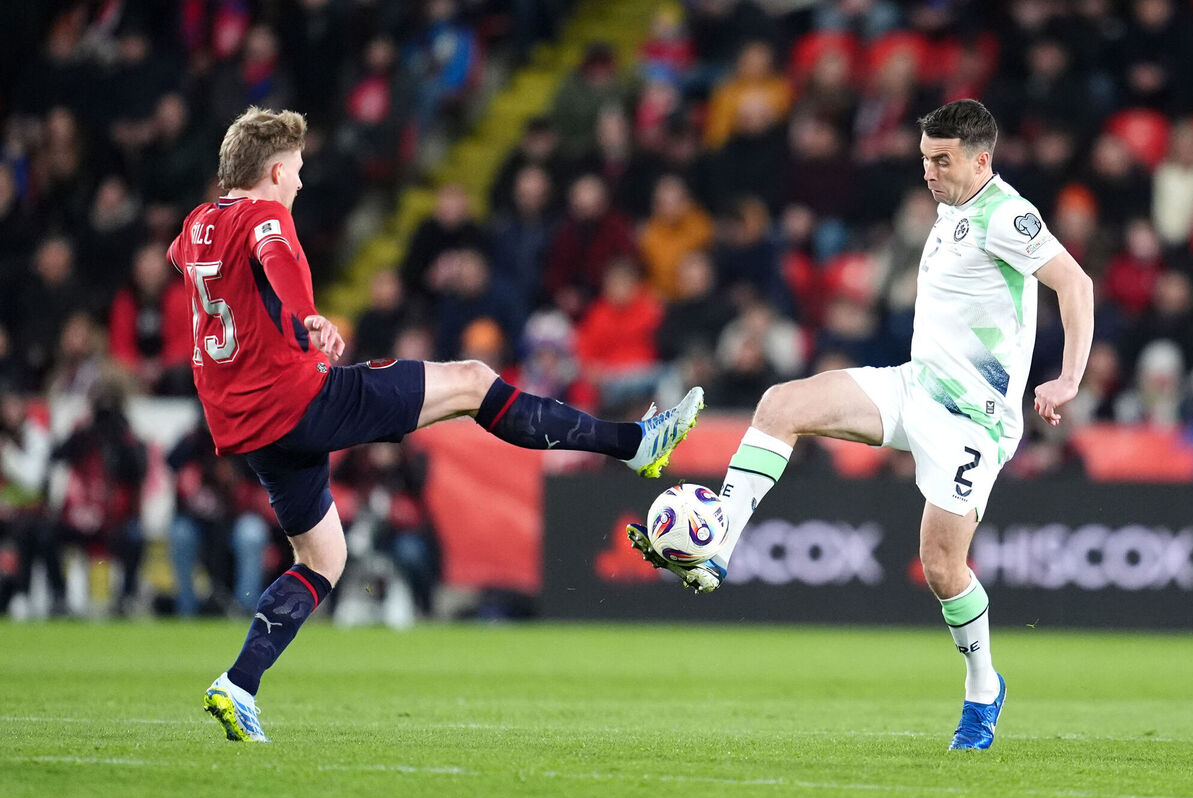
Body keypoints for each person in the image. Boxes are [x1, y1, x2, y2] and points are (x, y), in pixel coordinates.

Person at [167, 107, 703, 742]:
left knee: (323, 557)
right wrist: (308, 316)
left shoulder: (196, 224)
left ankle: (238, 684)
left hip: (250, 426)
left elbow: (192, 266)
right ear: (276, 170)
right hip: (298, 399)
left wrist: (266, 322)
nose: (302, 185)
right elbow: (274, 252)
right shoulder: (266, 216)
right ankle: (635, 443)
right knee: (474, 381)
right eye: (299, 172)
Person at [629, 99, 1094, 751]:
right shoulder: (951, 208)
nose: (929, 172)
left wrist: (1069, 378)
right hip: (914, 386)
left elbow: (1075, 285)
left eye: (942, 160)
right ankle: (720, 542)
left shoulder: (1007, 215)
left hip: (972, 423)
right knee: (781, 406)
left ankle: (984, 685)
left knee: (940, 566)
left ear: (981, 160)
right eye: (924, 158)